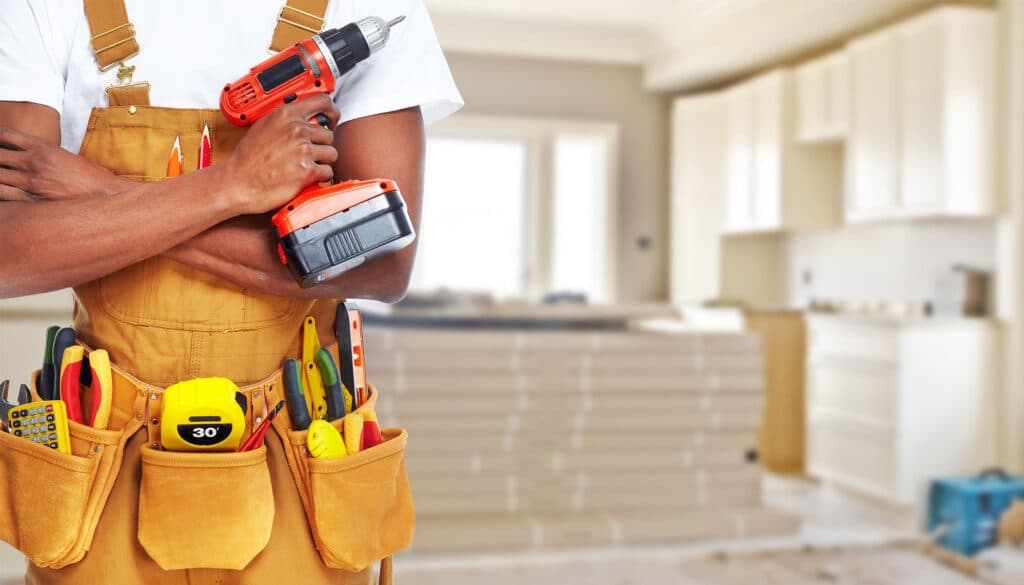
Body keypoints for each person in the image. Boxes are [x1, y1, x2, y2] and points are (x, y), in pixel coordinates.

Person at [0, 1, 462, 584]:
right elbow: (8, 253)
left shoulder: (368, 7)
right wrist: (230, 187)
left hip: (299, 451)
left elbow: (382, 262)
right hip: (103, 464)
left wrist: (99, 192)